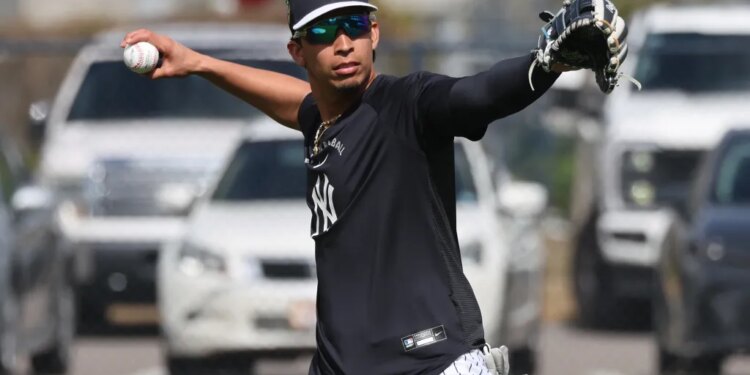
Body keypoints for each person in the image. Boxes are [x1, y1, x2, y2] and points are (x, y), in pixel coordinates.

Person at [121, 0, 568, 373]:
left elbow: (477, 94)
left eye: (353, 25)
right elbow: (293, 100)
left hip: (428, 363)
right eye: (323, 32)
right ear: (297, 51)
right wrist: (198, 63)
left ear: (373, 32)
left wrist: (547, 61)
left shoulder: (404, 104)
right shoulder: (323, 119)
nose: (342, 43)